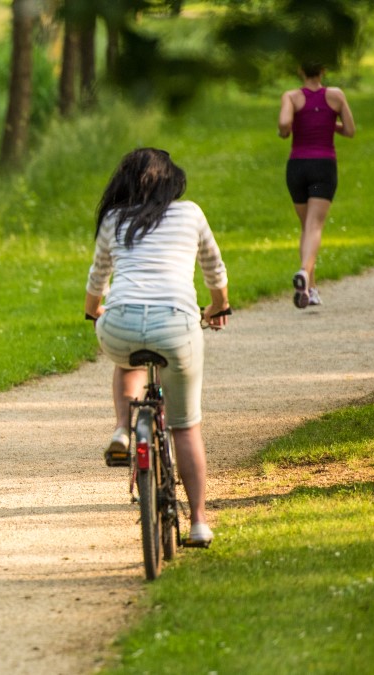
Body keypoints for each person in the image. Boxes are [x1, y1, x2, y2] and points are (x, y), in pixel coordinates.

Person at [84, 148, 230, 547]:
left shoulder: (115, 218)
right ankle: (199, 521)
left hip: (120, 323)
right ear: (173, 182)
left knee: (125, 358)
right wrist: (218, 307)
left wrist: (93, 312)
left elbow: (98, 280)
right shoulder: (190, 214)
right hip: (177, 325)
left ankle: (122, 430)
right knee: (185, 427)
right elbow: (215, 270)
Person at [278, 62, 356, 309]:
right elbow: (350, 131)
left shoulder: (291, 97)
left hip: (297, 167)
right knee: (314, 227)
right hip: (323, 166)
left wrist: (289, 129)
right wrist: (327, 124)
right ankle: (304, 272)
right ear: (323, 70)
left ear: (300, 70)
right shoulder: (336, 96)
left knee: (306, 227)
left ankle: (310, 289)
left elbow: (283, 125)